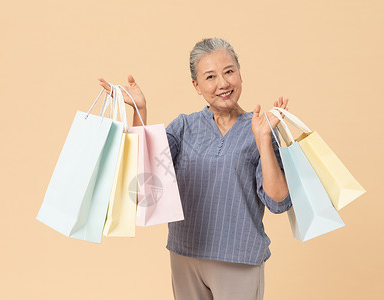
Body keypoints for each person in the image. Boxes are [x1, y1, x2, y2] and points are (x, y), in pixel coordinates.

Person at [99, 37, 291, 300]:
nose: (223, 83)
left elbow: (278, 201)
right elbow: (145, 175)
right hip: (185, 254)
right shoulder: (184, 127)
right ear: (196, 86)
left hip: (239, 258)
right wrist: (140, 110)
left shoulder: (260, 128)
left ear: (240, 75)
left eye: (229, 72)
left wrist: (263, 140)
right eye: (210, 76)